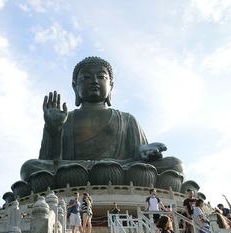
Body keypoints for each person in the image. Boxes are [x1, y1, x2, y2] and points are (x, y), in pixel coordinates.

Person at [20, 56, 184, 183]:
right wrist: (53, 129)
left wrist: (145, 153)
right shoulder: (65, 118)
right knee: (30, 168)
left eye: (101, 76)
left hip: (123, 168)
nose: (94, 81)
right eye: (85, 77)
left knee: (175, 164)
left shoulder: (127, 119)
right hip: (74, 170)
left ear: (111, 85)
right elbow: (49, 162)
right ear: (74, 86)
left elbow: (138, 156)